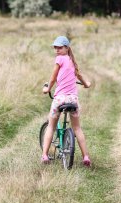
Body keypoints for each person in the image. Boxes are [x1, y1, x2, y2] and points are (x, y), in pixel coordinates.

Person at [41, 35, 91, 167]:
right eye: (55, 47)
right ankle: (85, 156)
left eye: (60, 47)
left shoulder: (59, 59)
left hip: (60, 99)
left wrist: (48, 89)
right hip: (73, 100)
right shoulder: (72, 62)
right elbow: (79, 76)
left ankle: (45, 155)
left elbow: (53, 78)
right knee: (77, 128)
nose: (57, 50)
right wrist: (86, 84)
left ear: (67, 48)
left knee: (51, 126)